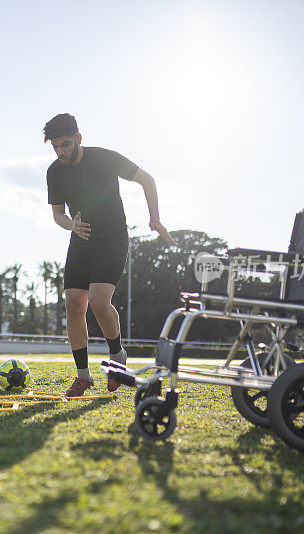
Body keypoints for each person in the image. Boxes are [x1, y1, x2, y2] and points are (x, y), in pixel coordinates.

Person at [44, 113, 177, 397]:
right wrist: (72, 225)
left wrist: (154, 218)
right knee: (72, 305)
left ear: (79, 138)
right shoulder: (54, 171)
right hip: (80, 240)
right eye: (55, 147)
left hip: (112, 240)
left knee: (99, 302)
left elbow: (147, 180)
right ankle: (83, 376)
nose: (61, 152)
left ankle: (117, 357)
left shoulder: (104, 158)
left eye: (65, 145)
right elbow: (57, 214)